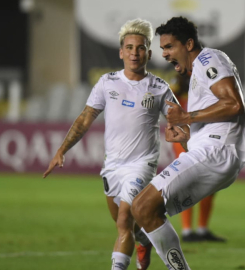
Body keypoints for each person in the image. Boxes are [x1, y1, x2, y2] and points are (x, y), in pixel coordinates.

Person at [43, 19, 181, 270]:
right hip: (113, 166)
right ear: (121, 52)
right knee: (124, 223)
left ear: (148, 53)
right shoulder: (107, 83)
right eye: (129, 48)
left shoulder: (159, 88)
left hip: (142, 165)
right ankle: (144, 239)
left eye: (140, 48)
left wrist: (178, 131)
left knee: (124, 219)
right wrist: (61, 150)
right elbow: (85, 118)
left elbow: (180, 122)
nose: (134, 53)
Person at [131, 16, 245, 270]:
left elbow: (234, 104)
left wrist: (186, 117)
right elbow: (214, 119)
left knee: (142, 206)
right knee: (146, 212)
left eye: (169, 47)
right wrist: (186, 137)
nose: (164, 54)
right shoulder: (197, 73)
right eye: (162, 49)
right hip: (214, 151)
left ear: (188, 44)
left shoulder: (209, 59)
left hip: (218, 151)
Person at [170, 74, 227, 243]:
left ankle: (202, 229)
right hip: (184, 138)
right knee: (188, 183)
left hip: (205, 137)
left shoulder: (206, 85)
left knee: (210, 183)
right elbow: (169, 104)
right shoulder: (179, 86)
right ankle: (187, 231)